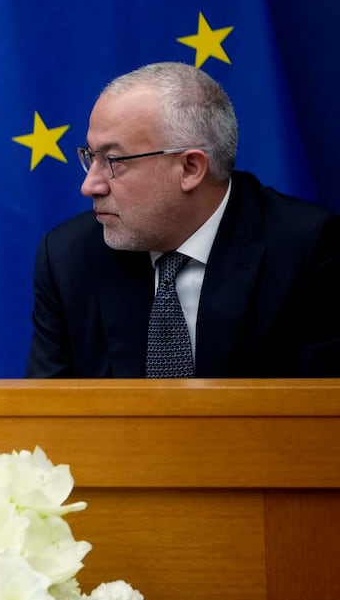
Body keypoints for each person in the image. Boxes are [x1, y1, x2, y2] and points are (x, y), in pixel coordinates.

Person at [27, 62, 339, 378]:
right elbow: (49, 415)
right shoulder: (68, 256)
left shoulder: (307, 249)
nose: (89, 185)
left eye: (113, 160)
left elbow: (317, 414)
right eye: (91, 157)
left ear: (190, 168)